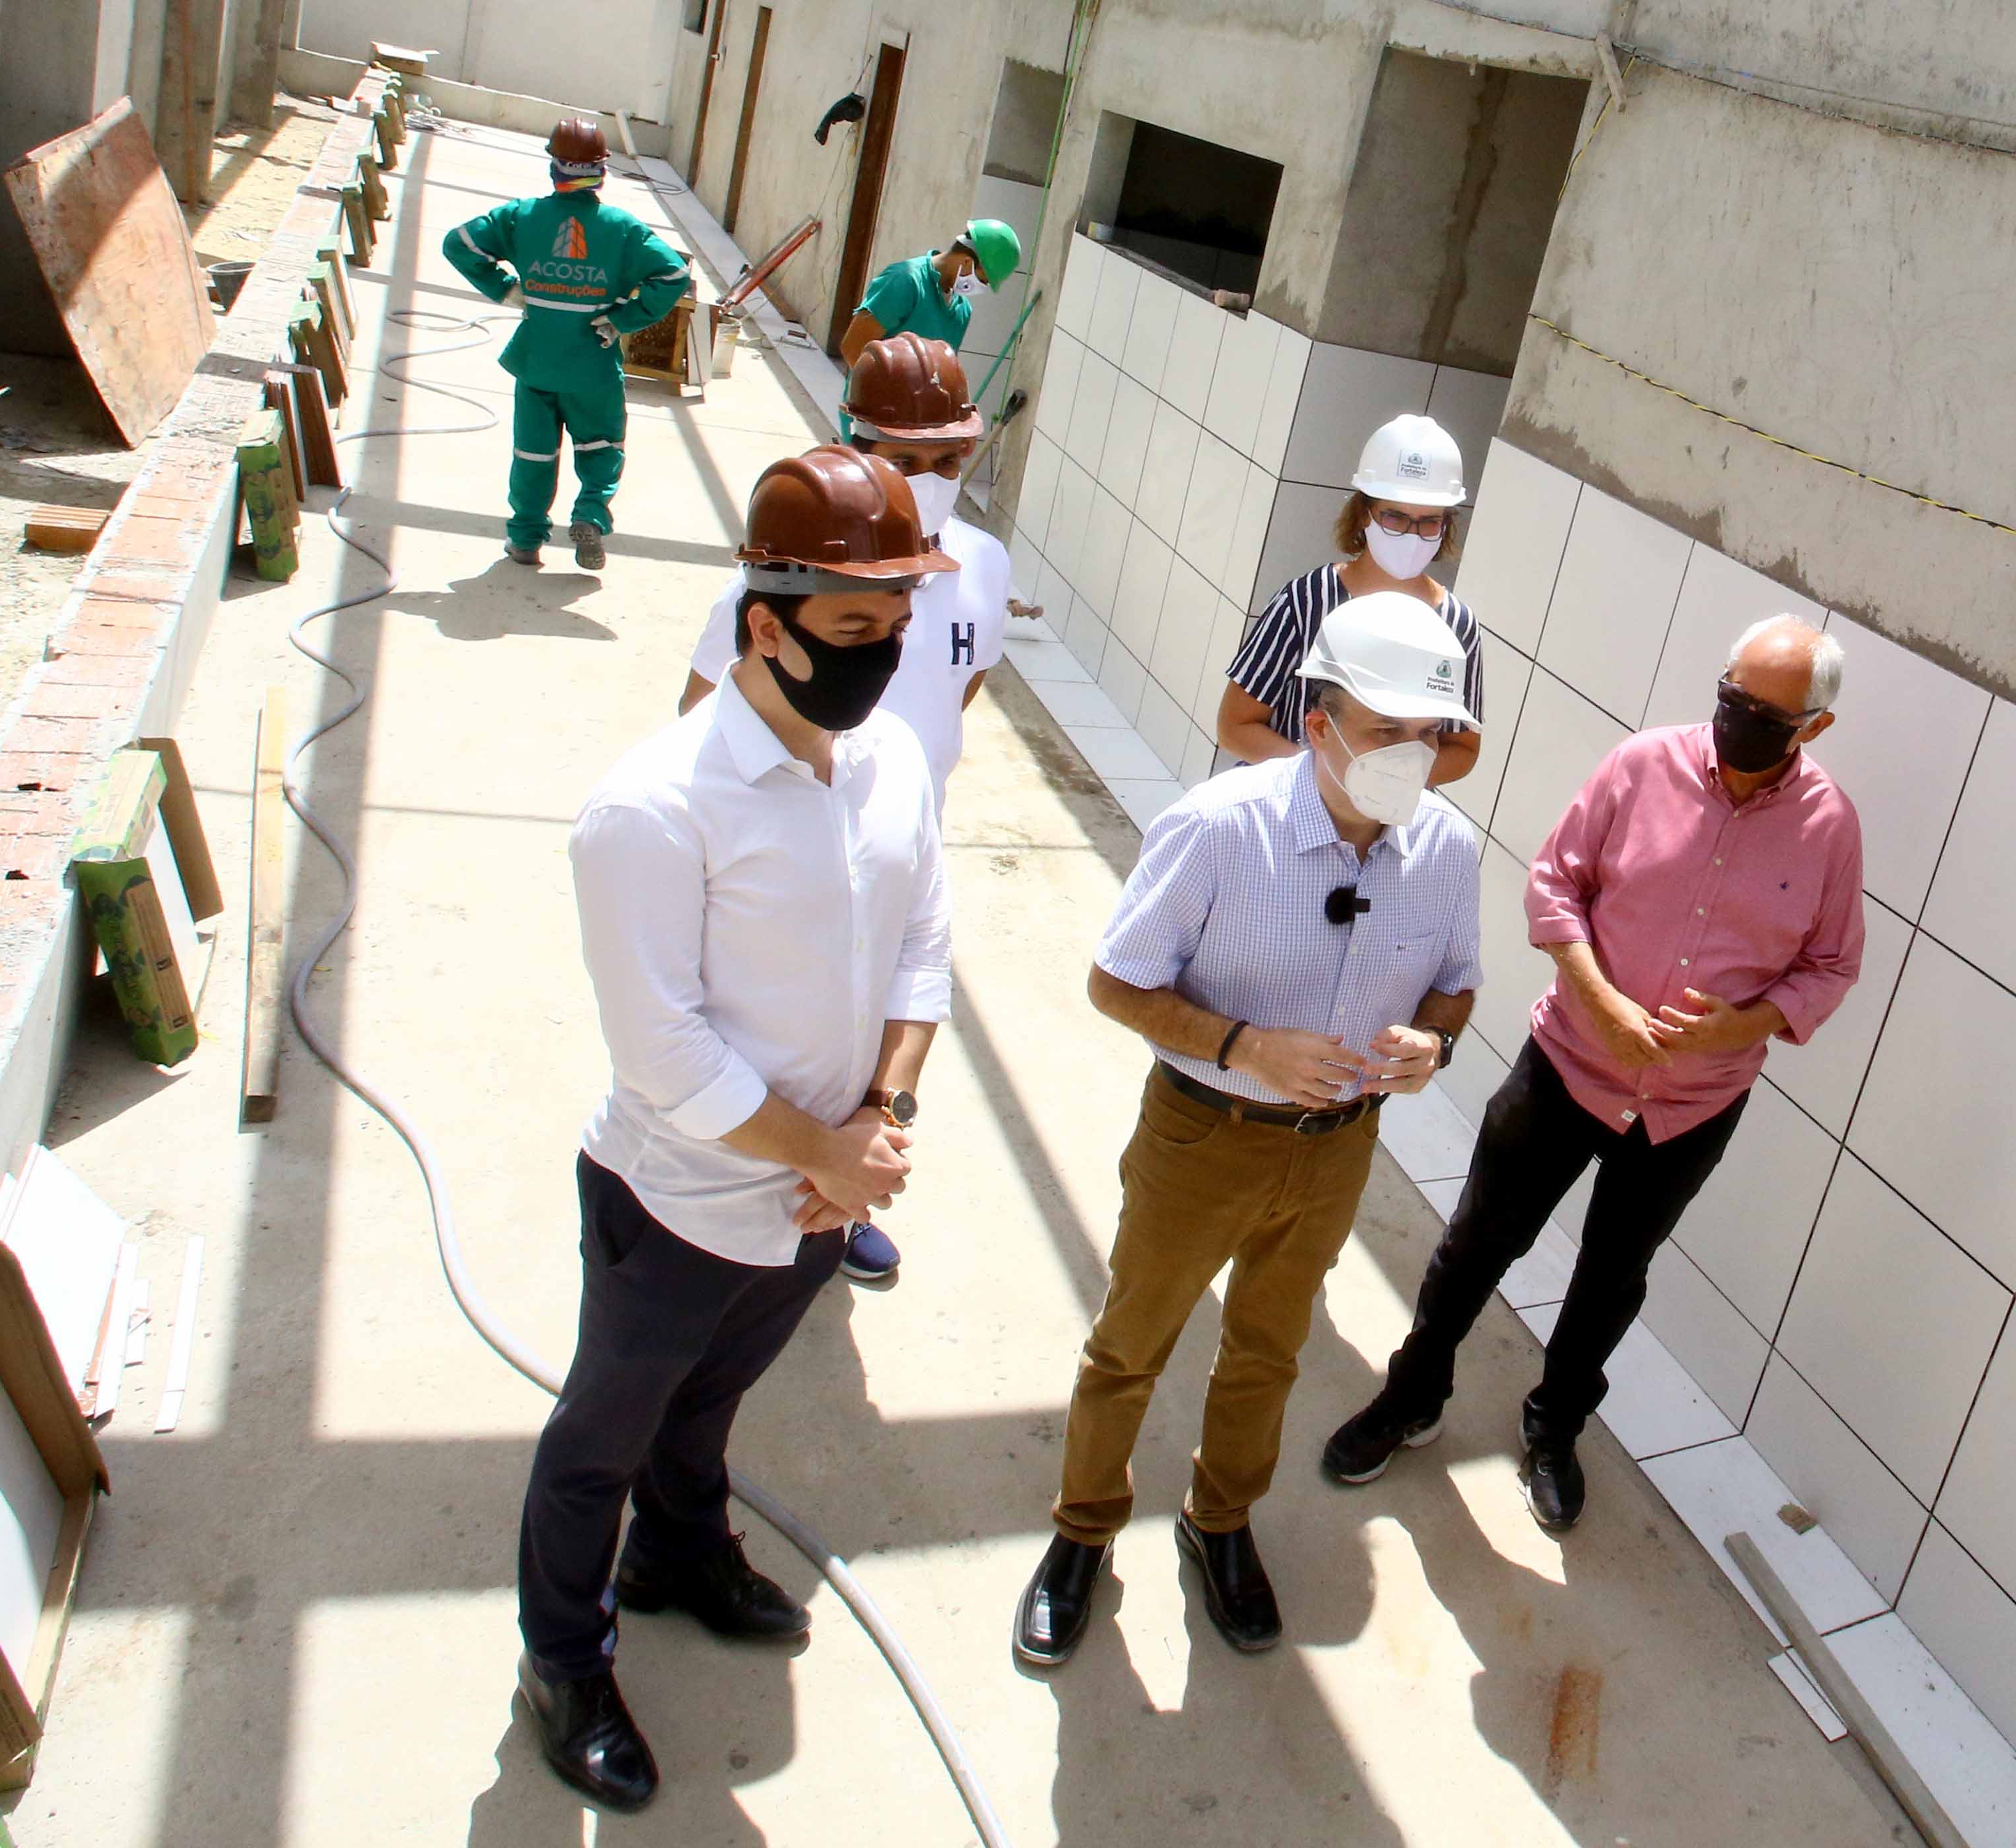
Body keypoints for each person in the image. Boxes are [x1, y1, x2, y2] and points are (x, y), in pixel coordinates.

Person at [513, 447, 957, 1814]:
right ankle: (565, 1659)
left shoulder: (887, 766)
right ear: (764, 625)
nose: (884, 662)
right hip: (675, 1209)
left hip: (816, 1205)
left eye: (899, 631)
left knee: (709, 1408)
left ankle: (680, 1555)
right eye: (853, 631)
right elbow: (662, 1056)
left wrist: (874, 1118)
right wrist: (821, 1152)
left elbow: (922, 954)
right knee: (603, 1435)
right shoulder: (652, 809)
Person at [1013, 593, 1483, 1668]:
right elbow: (1116, 983)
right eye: (1383, 733)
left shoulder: (1446, 854)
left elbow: (1456, 990)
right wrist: (1244, 1047)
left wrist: (1432, 1045)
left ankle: (1218, 1521)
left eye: (1428, 735)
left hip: (1338, 1150)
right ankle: (1082, 1532)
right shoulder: (1221, 831)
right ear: (1318, 726)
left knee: (1268, 1350)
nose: (1407, 758)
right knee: (1131, 1345)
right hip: (1205, 1133)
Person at [1319, 616, 1865, 1532]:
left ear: (1813, 728)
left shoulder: (1829, 829)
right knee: (1478, 1240)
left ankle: (1553, 1428)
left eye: (1769, 714)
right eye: (1732, 698)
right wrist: (1603, 1000)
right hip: (1568, 1063)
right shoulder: (1642, 764)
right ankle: (1410, 1395)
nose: (1741, 721)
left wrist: (1747, 1023)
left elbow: (1830, 965)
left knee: (1614, 1275)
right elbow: (1554, 883)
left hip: (1693, 1105)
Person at [678, 333, 1014, 1285]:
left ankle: (841, 1203)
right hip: (780, 855)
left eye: (951, 459)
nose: (933, 479)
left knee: (883, 1039)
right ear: (856, 444)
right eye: (906, 461)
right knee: (774, 1039)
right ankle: (749, 1202)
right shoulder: (787, 576)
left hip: (897, 857)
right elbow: (705, 718)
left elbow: (962, 686)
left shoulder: (983, 567)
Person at [441, 117, 694, 571]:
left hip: (536, 361)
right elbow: (674, 274)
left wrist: (504, 288)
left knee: (533, 453)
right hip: (592, 367)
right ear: (601, 170)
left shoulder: (521, 218)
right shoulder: (621, 228)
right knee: (602, 446)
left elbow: (458, 243)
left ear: (555, 167)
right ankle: (591, 515)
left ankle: (524, 539)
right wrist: (624, 318)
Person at [1218, 414, 1487, 787]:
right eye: (1395, 517)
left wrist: (1389, 784)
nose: (1413, 534)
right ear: (1364, 514)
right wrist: (1327, 779)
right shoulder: (1306, 601)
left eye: (1429, 521)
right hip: (1286, 806)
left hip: (1384, 826)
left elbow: (1462, 748)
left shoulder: (1457, 625)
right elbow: (1235, 724)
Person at [837, 218, 1022, 366]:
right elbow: (853, 349)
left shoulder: (961, 310)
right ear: (967, 262)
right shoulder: (904, 281)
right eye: (983, 279)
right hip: (873, 409)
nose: (981, 286)